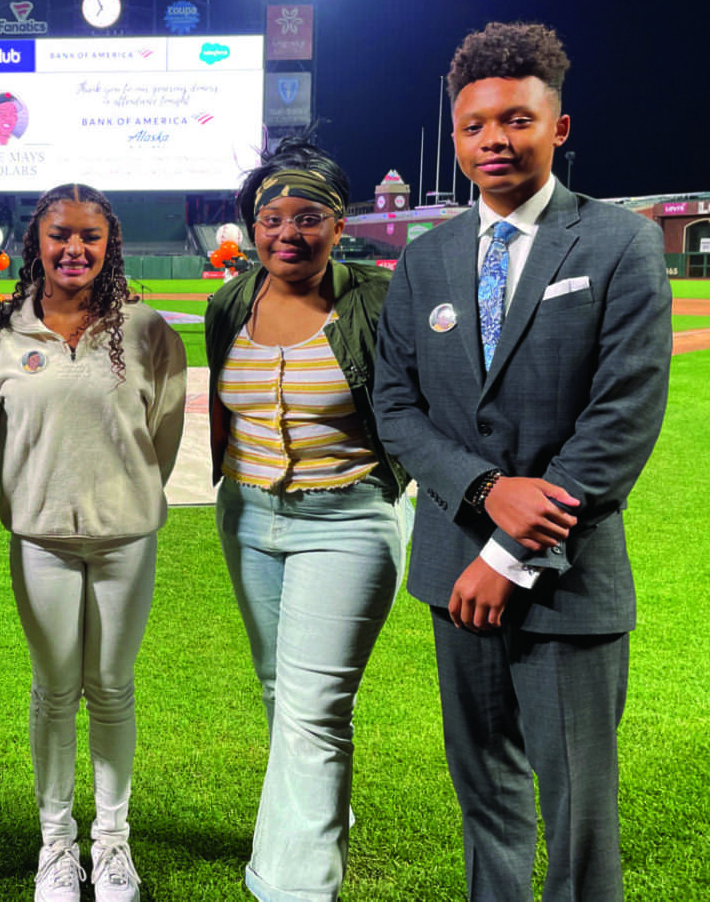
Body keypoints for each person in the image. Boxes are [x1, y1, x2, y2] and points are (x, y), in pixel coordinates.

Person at [374, 22, 672, 902]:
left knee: (579, 808)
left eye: (516, 120)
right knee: (486, 796)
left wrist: (511, 554)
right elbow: (397, 408)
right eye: (474, 126)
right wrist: (484, 492)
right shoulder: (423, 259)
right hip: (449, 567)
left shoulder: (619, 243)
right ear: (457, 135)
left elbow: (619, 420)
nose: (494, 141)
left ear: (559, 128)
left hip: (567, 580)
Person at [0, 184, 186, 902]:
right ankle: (57, 844)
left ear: (109, 243)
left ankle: (112, 843)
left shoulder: (148, 331)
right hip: (41, 541)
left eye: (90, 236)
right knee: (55, 691)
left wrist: (126, 496)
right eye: (61, 235)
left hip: (126, 540)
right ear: (37, 240)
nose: (74, 249)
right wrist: (27, 498)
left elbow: (164, 438)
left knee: (112, 689)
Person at [205, 138, 409, 902]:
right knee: (277, 689)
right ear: (250, 227)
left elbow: (421, 403)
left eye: (308, 216)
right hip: (249, 516)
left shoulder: (377, 298)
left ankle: (293, 885)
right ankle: (321, 811)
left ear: (340, 222)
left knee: (315, 706)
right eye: (270, 217)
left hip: (349, 518)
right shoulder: (230, 302)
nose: (287, 232)